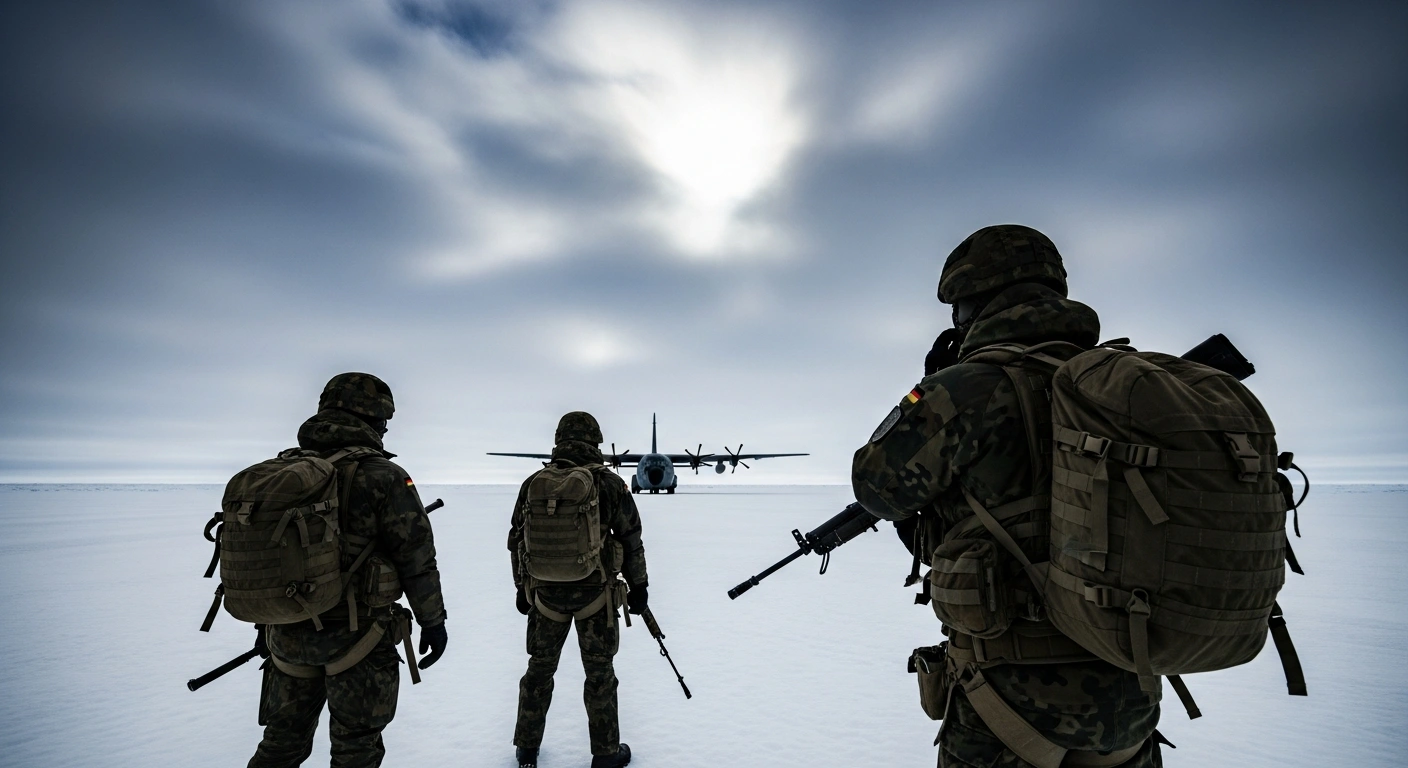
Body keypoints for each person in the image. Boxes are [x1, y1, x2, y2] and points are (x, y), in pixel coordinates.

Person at [852, 225, 1163, 767]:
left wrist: (933, 385)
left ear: (971, 305)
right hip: (1129, 694)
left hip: (1006, 698)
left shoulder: (965, 388)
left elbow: (876, 488)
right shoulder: (1132, 386)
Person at [249, 372, 448, 768]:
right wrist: (433, 621)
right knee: (356, 749)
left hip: (286, 637)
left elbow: (269, 558)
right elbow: (417, 559)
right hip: (358, 639)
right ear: (373, 420)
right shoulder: (385, 477)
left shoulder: (278, 472)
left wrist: (265, 623)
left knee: (281, 743)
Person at [509, 411, 648, 768]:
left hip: (545, 596)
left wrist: (520, 588)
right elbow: (631, 539)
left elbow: (515, 539)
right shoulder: (610, 484)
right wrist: (640, 586)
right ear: (595, 441)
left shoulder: (533, 482)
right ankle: (605, 755)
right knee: (599, 675)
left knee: (538, 671)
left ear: (558, 440)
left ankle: (526, 750)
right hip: (595, 597)